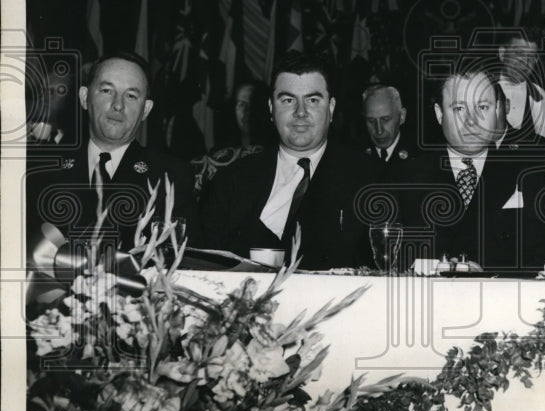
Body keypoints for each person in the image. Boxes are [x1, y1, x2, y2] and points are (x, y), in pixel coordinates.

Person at [197, 51, 362, 268]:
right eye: (288, 100)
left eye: (312, 100)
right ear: (271, 109)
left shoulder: (369, 179)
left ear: (330, 108)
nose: (300, 112)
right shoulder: (231, 180)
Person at [25, 52, 199, 249]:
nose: (118, 105)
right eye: (107, 91)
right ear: (84, 98)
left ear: (146, 110)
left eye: (131, 96)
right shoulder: (41, 169)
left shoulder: (171, 177)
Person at [401, 66, 545, 272]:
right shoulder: (406, 176)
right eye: (459, 109)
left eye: (482, 107)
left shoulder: (528, 172)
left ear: (498, 109)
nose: (472, 121)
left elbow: (542, 254)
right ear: (439, 114)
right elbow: (390, 256)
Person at [497, 29, 545, 180]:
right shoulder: (479, 96)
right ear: (502, 53)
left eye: (531, 57)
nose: (525, 63)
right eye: (518, 53)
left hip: (530, 196)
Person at [359, 84, 419, 174]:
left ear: (402, 116)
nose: (379, 130)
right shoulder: (356, 156)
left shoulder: (420, 157)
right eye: (371, 121)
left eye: (385, 120)